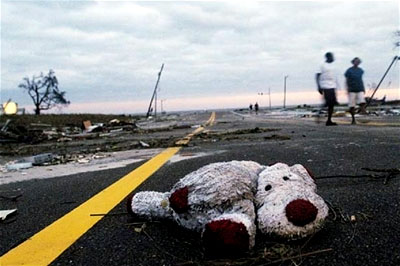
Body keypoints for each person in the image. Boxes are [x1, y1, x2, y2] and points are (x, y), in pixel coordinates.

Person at [316, 52, 340, 126]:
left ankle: (329, 120)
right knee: (328, 102)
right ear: (328, 57)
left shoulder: (332, 67)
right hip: (325, 86)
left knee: (331, 104)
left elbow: (334, 77)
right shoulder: (322, 65)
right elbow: (317, 75)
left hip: (332, 86)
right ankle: (319, 114)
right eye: (332, 57)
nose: (333, 58)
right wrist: (319, 86)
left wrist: (337, 86)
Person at [345, 57, 366, 124]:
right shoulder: (349, 70)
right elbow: (347, 80)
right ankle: (353, 119)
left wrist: (363, 88)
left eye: (358, 62)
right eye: (356, 61)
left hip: (359, 87)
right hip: (352, 89)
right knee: (352, 105)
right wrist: (347, 88)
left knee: (362, 101)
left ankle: (362, 110)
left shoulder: (360, 70)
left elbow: (361, 79)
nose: (357, 63)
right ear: (353, 62)